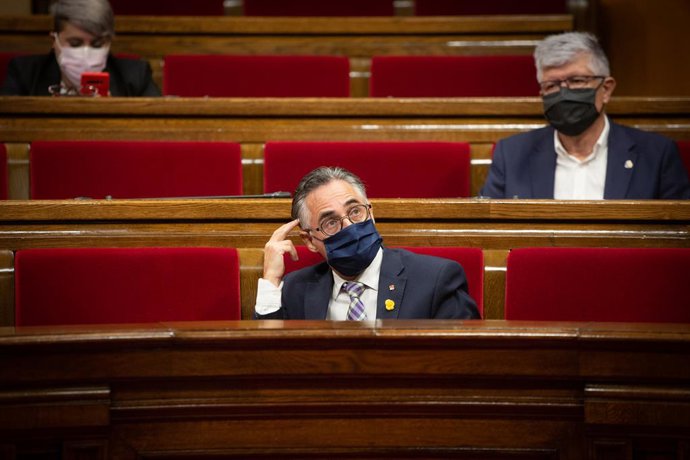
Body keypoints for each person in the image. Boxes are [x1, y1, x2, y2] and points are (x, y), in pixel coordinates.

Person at [479, 31, 690, 200]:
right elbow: (489, 231)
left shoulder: (656, 155)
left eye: (577, 81)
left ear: (606, 89)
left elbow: (676, 238)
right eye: (552, 85)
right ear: (541, 92)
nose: (564, 92)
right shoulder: (512, 155)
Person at [255, 166, 480, 320]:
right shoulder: (296, 289)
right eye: (330, 222)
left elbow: (465, 364)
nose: (350, 227)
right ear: (310, 240)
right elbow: (271, 365)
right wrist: (271, 280)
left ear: (370, 214)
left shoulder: (435, 280)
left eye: (355, 212)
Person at [1, 0, 160, 96]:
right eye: (75, 43)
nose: (86, 53)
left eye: (97, 44)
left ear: (108, 43)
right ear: (54, 40)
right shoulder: (25, 74)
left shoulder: (135, 76)